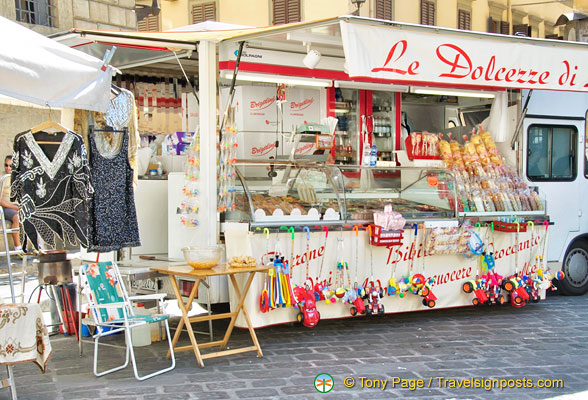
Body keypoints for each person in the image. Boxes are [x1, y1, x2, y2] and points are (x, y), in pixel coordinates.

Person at [0, 155, 22, 252]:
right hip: (6, 207)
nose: (8, 168)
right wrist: (14, 207)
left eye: (10, 166)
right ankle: (18, 248)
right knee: (16, 217)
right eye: (6, 165)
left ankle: (36, 246)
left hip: (18, 205)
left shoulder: (19, 177)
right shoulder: (2, 178)